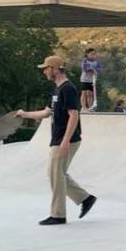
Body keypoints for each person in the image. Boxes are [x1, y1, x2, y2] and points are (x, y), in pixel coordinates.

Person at [15, 55, 96, 225]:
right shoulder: (57, 90)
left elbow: (74, 115)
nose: (44, 72)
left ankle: (58, 215)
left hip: (66, 139)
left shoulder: (68, 89)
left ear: (55, 69)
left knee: (55, 175)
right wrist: (24, 114)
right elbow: (46, 112)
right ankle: (85, 198)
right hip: (59, 138)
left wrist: (65, 141)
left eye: (46, 68)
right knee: (57, 174)